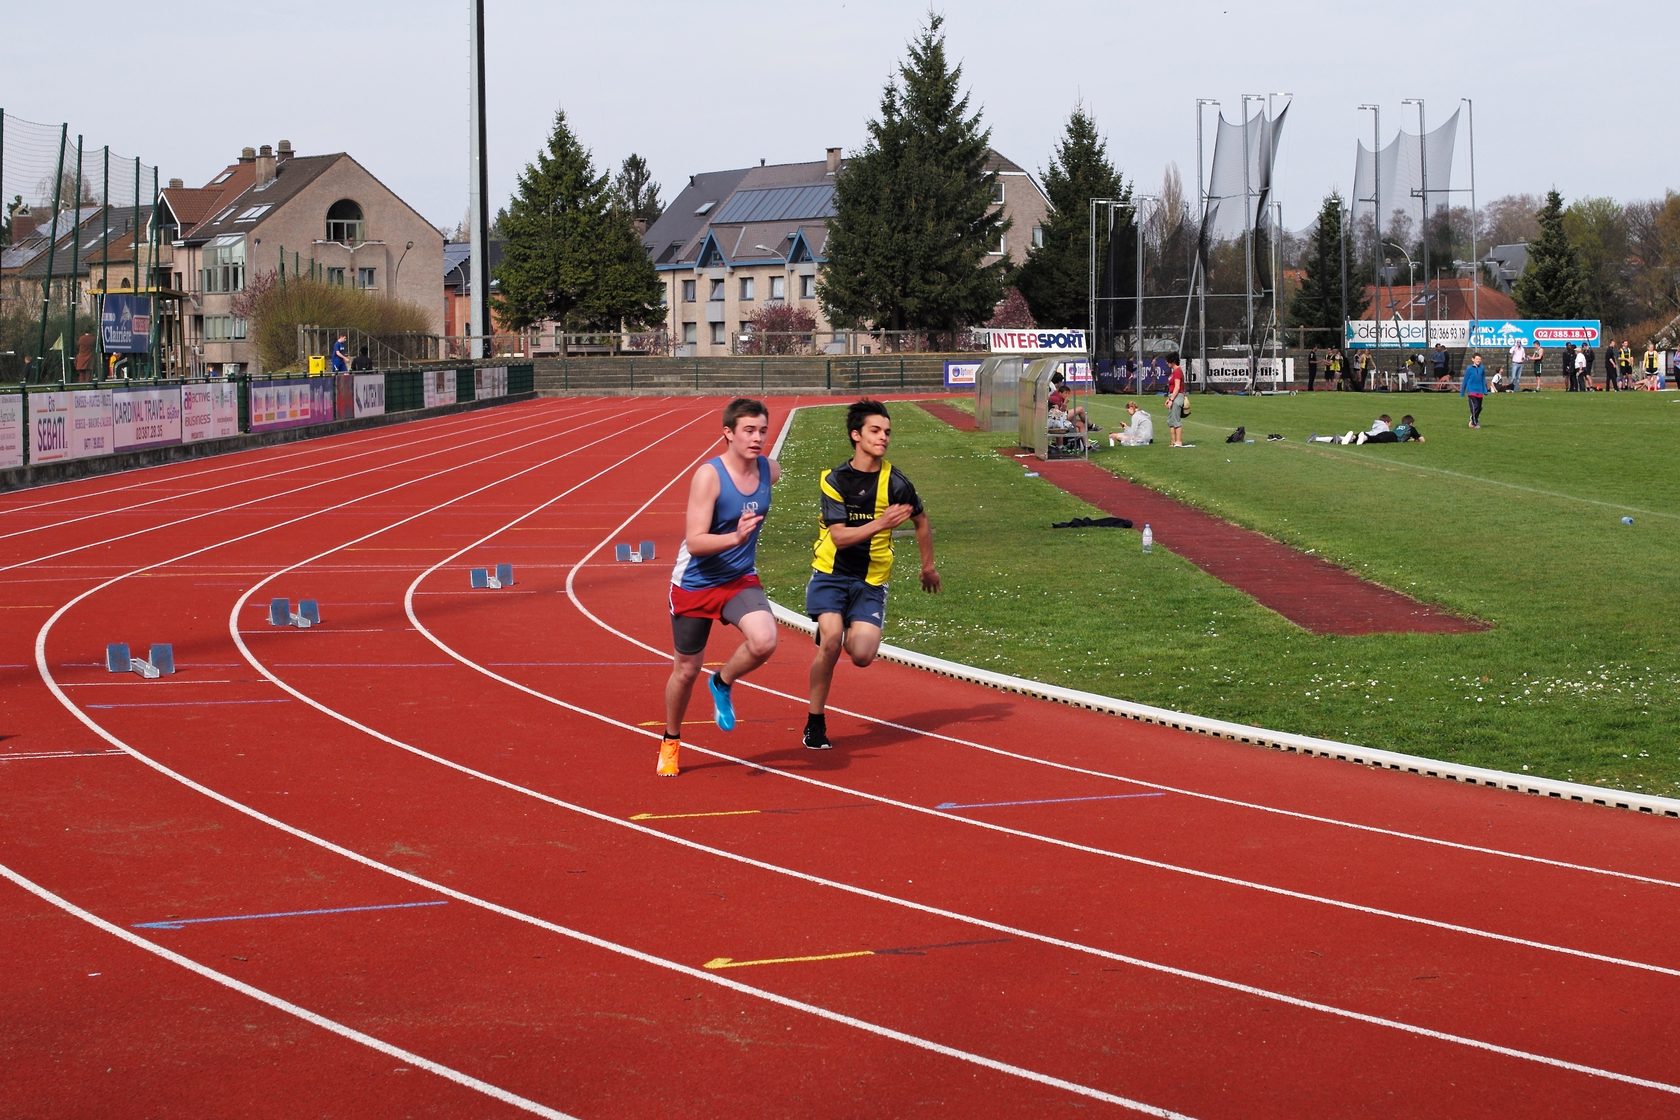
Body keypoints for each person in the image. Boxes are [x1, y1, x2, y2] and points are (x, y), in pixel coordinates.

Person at [802, 399, 940, 751]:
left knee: (862, 655)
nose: (883, 438)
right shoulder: (835, 480)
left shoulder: (896, 482)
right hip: (831, 573)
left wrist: (927, 567)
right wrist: (880, 523)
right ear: (856, 435)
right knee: (831, 640)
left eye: (887, 432)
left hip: (871, 581)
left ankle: (843, 626)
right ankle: (815, 723)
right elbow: (839, 536)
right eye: (875, 431)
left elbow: (921, 522)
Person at [659, 398, 782, 777]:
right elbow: (695, 542)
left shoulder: (770, 470)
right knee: (685, 669)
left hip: (738, 579)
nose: (757, 437)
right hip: (696, 582)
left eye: (762, 430)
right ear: (728, 433)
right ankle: (671, 740)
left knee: (764, 641)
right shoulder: (709, 476)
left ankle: (723, 681)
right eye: (749, 430)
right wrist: (735, 537)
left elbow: (771, 477)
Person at [1164, 359, 1188, 447]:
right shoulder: (1173, 371)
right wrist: (1169, 398)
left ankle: (1179, 441)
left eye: (1168, 361)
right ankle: (1173, 441)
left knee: (1176, 420)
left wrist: (1171, 399)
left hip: (1177, 397)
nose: (1167, 363)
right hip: (1172, 396)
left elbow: (1177, 387)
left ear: (1172, 361)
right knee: (1171, 420)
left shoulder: (1178, 371)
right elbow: (1172, 387)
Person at [1461, 351, 1488, 428]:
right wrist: (1462, 391)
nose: (1478, 360)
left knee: (1479, 407)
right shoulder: (1469, 368)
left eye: (1479, 359)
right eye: (1477, 359)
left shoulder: (1482, 368)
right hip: (1471, 391)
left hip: (1479, 391)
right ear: (1473, 359)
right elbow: (1465, 380)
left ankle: (1473, 418)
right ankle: (1474, 423)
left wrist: (1485, 390)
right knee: (1474, 406)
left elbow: (1483, 380)